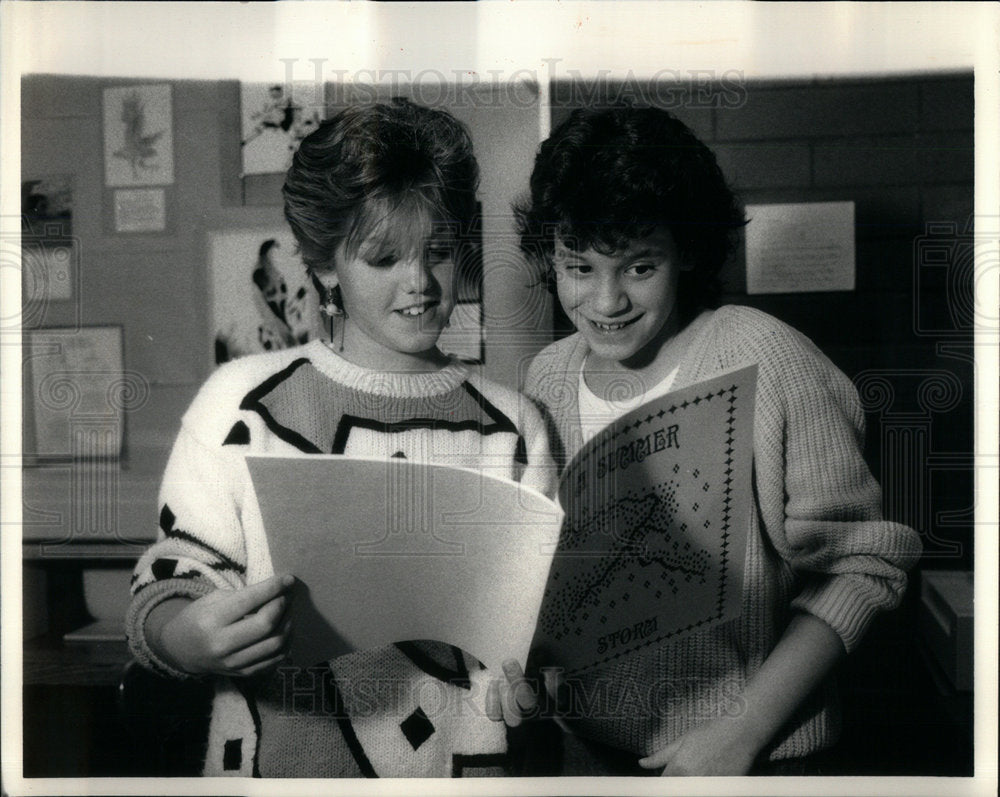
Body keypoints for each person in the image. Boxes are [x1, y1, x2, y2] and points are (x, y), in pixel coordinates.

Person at [127, 99, 549, 778]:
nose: (420, 283)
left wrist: (533, 682)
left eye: (438, 252)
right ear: (324, 265)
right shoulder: (241, 402)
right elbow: (170, 577)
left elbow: (536, 639)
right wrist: (186, 636)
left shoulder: (513, 425)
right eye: (383, 257)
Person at [517, 104, 922, 776]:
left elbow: (860, 567)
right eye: (578, 267)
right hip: (586, 751)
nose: (606, 300)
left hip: (753, 755)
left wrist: (742, 732)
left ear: (687, 252)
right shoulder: (547, 375)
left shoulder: (770, 356)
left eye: (640, 266)